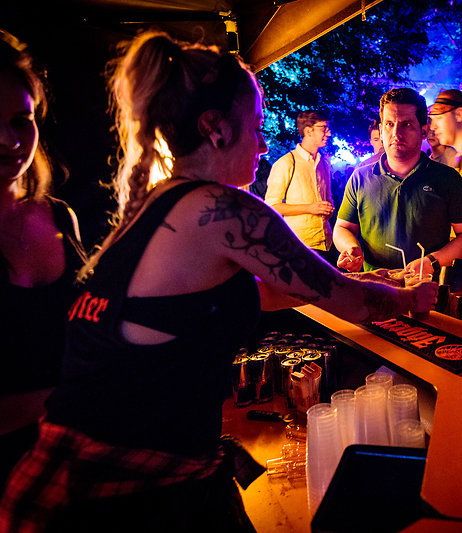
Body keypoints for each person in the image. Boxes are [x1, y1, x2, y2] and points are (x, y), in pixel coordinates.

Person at [0, 30, 437, 532]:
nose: (264, 144)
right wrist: (412, 296)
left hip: (83, 479)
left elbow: (265, 293)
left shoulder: (156, 203)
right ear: (214, 129)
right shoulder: (224, 208)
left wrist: (362, 278)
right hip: (116, 496)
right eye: (256, 127)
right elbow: (352, 302)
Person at [0, 30, 86, 487]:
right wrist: (75, 392)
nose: (7, 140)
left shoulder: (58, 215)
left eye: (20, 120)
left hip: (77, 468)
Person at [334, 87, 462, 277]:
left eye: (406, 124)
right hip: (374, 287)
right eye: (389, 124)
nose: (396, 133)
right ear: (381, 129)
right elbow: (342, 227)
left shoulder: (447, 178)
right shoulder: (360, 178)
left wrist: (432, 262)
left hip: (428, 289)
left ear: (423, 131)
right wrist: (351, 248)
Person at [264, 110, 337, 265]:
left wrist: (329, 209)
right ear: (308, 131)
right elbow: (271, 206)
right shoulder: (286, 163)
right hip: (300, 244)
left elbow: (328, 198)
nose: (329, 133)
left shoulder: (324, 163)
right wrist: (310, 208)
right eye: (323, 128)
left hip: (327, 242)